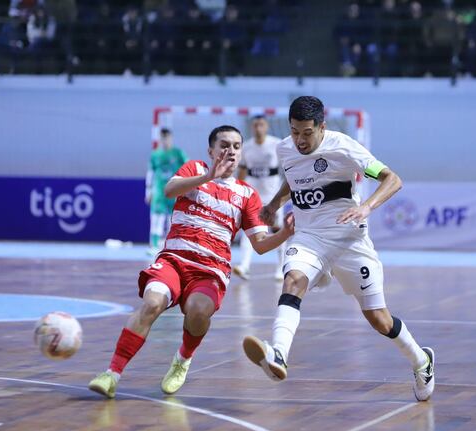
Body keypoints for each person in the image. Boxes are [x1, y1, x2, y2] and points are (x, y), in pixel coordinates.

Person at [241, 96, 434, 402]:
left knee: (378, 319)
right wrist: (275, 203)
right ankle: (278, 353)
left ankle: (421, 361)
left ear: (322, 127)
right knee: (292, 281)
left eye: (307, 133)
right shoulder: (284, 149)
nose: (300, 140)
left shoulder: (343, 147)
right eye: (294, 132)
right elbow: (293, 177)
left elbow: (392, 179)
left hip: (349, 240)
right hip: (309, 236)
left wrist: (366, 207)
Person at [89, 125, 295, 399]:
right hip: (175, 260)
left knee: (198, 313)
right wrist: (207, 177)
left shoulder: (247, 195)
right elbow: (169, 190)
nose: (230, 151)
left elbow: (259, 245)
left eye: (235, 146)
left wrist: (284, 233)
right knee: (151, 304)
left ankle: (183, 359)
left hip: (210, 272)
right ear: (211, 151)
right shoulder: (195, 168)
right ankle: (111, 374)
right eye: (224, 145)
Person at [233, 115, 285, 281]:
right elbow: (241, 172)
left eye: (261, 125)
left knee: (278, 231)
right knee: (250, 231)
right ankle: (244, 266)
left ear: (267, 126)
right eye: (255, 125)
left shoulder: (276, 145)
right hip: (253, 198)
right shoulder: (246, 147)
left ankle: (281, 268)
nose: (258, 128)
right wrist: (237, 190)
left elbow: (288, 169)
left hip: (274, 198)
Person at [146, 128, 187, 254]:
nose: (165, 140)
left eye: (167, 138)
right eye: (163, 138)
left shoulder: (178, 153)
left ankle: (171, 245)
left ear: (171, 138)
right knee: (156, 219)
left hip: (174, 190)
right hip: (159, 191)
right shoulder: (155, 155)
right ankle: (153, 246)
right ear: (160, 139)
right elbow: (150, 172)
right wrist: (148, 191)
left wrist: (186, 187)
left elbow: (188, 168)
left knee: (173, 219)